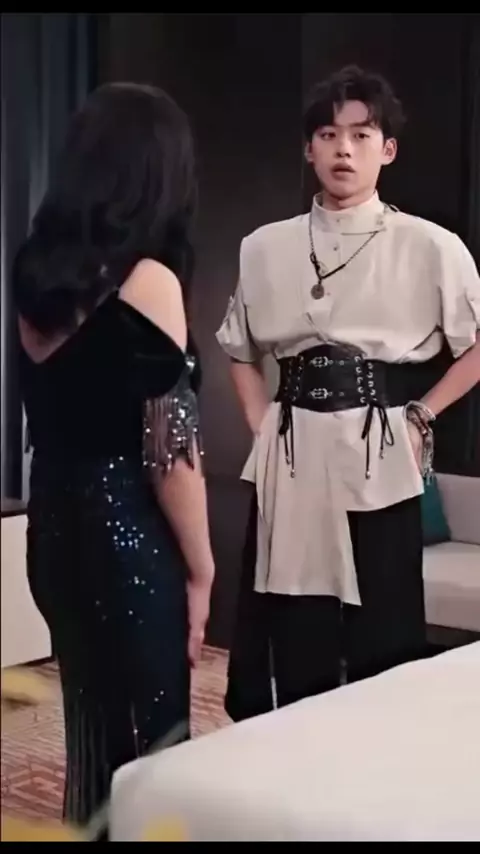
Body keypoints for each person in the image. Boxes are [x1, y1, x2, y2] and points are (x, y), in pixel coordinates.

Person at [217, 65, 480, 722]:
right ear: (308, 148)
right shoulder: (265, 247)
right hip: (292, 451)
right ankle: (283, 749)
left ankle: (374, 756)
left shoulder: (430, 246)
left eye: (361, 135)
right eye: (329, 134)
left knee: (381, 627)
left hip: (377, 448)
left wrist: (421, 415)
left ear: (387, 149)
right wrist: (260, 425)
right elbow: (239, 348)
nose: (344, 149)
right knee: (291, 621)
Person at [13, 83, 215, 830]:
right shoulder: (148, 280)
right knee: (155, 742)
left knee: (93, 729)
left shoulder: (36, 274)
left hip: (53, 526)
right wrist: (202, 566)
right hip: (126, 532)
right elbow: (170, 450)